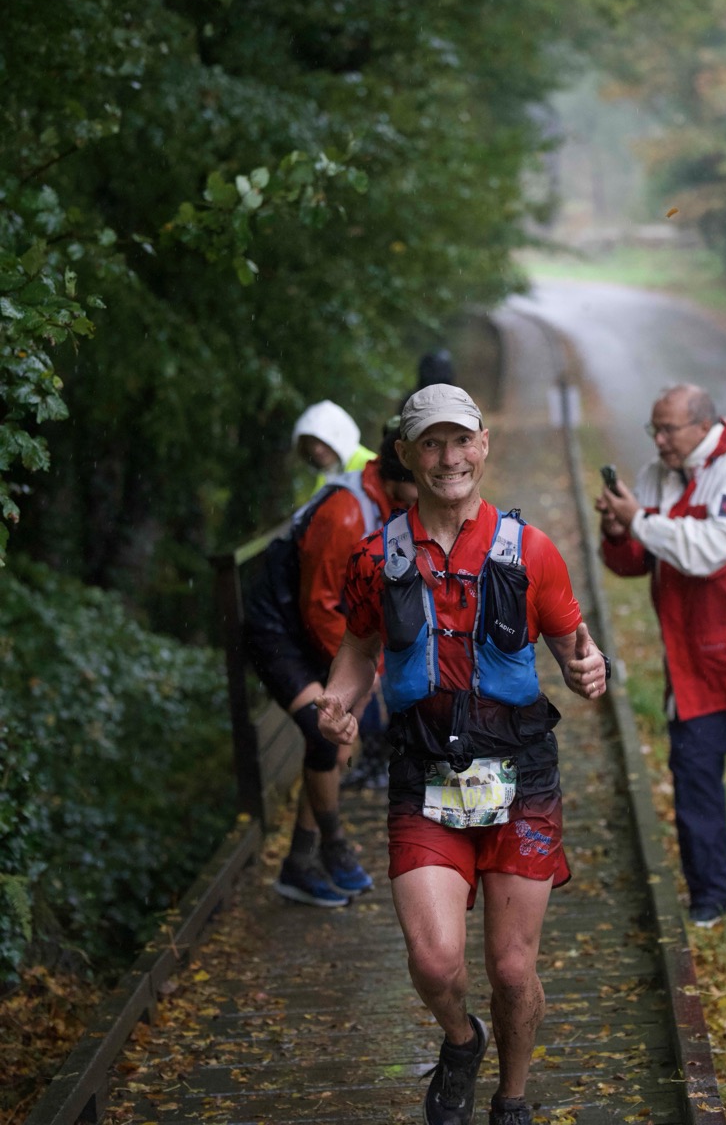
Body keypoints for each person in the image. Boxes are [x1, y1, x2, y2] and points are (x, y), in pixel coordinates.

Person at [316, 383, 608, 1125]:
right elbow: (357, 651)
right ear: (407, 454)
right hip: (422, 772)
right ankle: (460, 1039)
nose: (449, 459)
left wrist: (589, 670)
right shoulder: (374, 558)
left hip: (521, 774)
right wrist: (338, 704)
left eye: (460, 441)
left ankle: (511, 1098)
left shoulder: (531, 552)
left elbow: (574, 646)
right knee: (434, 960)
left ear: (482, 446)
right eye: (431, 444)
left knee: (511, 969)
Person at [595, 383, 726, 928]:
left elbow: (711, 551)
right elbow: (639, 559)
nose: (659, 440)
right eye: (654, 429)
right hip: (693, 663)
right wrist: (619, 531)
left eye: (668, 429)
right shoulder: (656, 475)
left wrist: (639, 521)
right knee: (693, 775)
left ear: (703, 426)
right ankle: (709, 894)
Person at [244, 427, 418, 908]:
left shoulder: (389, 504)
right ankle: (334, 847)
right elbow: (320, 605)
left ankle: (299, 865)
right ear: (399, 477)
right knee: (325, 734)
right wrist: (363, 674)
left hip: (310, 628)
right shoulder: (346, 514)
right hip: (276, 630)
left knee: (337, 745)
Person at [291, 399, 375, 504]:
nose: (317, 450)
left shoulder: (371, 465)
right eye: (312, 443)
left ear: (337, 437)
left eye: (323, 441)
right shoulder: (323, 479)